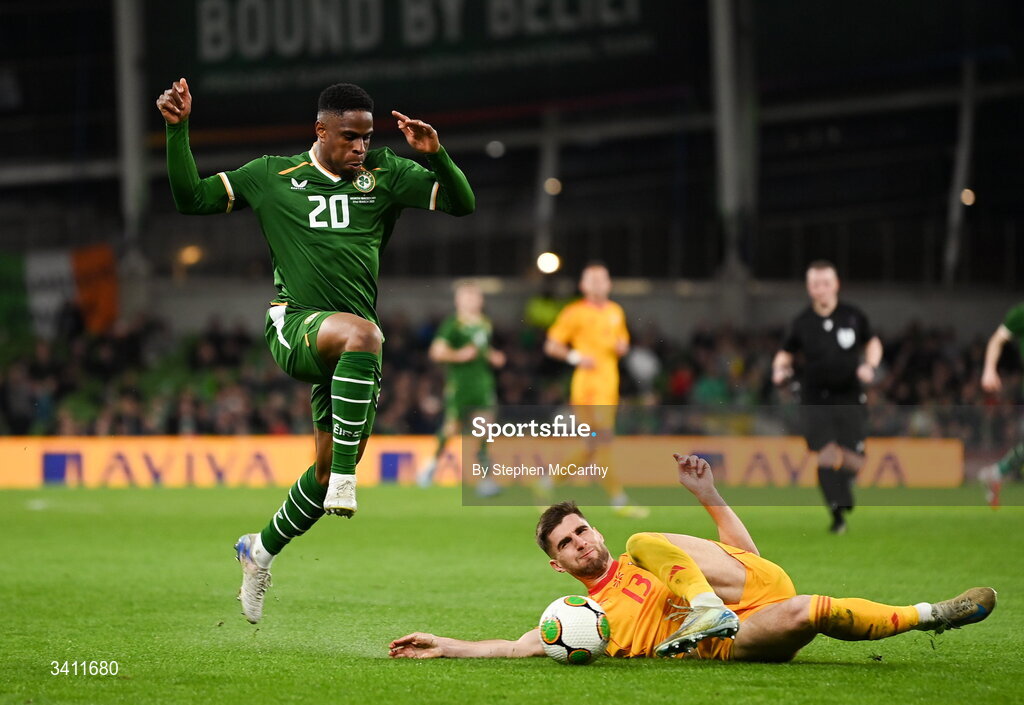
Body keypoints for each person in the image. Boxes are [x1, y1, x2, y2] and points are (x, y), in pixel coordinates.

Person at [156, 77, 475, 623]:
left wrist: (437, 155)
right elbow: (191, 199)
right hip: (297, 325)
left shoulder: (386, 175)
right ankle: (350, 482)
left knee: (324, 472)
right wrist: (178, 130)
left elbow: (462, 205)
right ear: (321, 130)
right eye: (349, 137)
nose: (360, 148)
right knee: (366, 336)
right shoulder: (271, 176)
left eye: (367, 138)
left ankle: (258, 550)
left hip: (352, 354)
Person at [389, 454, 996, 662]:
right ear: (559, 566)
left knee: (643, 543)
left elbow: (747, 560)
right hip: (730, 638)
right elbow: (519, 646)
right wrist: (447, 644)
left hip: (738, 592)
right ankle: (931, 614)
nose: (581, 543)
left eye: (580, 530)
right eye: (566, 544)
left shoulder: (638, 555)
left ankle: (706, 607)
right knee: (810, 610)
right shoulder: (578, 617)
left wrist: (709, 496)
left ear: (592, 528)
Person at [772, 261, 883, 534]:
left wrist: (870, 366)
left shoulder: (853, 316)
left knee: (855, 460)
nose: (820, 289)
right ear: (809, 288)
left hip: (849, 395)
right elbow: (785, 352)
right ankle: (837, 515)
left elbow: (873, 343)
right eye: (814, 284)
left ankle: (841, 492)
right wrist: (779, 369)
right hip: (814, 398)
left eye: (825, 283)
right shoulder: (802, 323)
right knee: (826, 454)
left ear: (835, 285)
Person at [544, 263, 646, 518]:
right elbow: (552, 345)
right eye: (593, 279)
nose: (599, 283)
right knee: (602, 441)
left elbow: (621, 343)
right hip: (588, 388)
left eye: (602, 279)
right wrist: (576, 357)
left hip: (609, 386)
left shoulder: (615, 311)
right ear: (583, 286)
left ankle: (547, 483)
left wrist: (622, 347)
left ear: (609, 284)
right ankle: (618, 499)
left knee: (591, 446)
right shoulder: (574, 312)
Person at [418, 281, 506, 488]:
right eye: (467, 297)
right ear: (458, 301)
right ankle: (430, 467)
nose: (471, 301)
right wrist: (458, 355)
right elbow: (436, 351)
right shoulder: (453, 324)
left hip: (482, 384)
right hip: (460, 385)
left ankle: (486, 479)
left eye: (475, 296)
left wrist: (493, 356)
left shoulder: (484, 323)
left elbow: (481, 349)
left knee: (485, 429)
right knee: (451, 428)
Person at [979, 301, 1024, 507]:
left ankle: (998, 472)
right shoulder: (1020, 313)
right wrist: (989, 369)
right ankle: (998, 472)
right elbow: (997, 340)